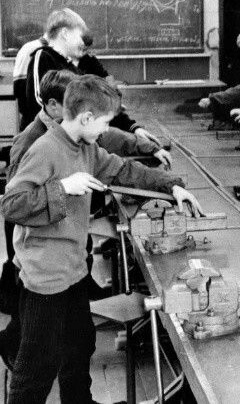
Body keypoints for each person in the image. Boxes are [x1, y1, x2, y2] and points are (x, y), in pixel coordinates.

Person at [1, 75, 203, 404]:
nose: (107, 129)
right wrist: (62, 188)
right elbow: (11, 205)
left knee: (79, 343)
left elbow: (122, 169)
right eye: (105, 122)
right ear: (86, 118)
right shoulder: (45, 149)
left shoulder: (86, 148)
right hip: (46, 277)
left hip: (73, 269)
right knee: (38, 366)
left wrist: (172, 185)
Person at [25, 9, 161, 144]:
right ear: (65, 34)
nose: (84, 43)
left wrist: (133, 128)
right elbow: (40, 104)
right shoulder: (43, 57)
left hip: (79, 139)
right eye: (81, 36)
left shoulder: (81, 63)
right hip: (48, 141)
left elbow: (105, 100)